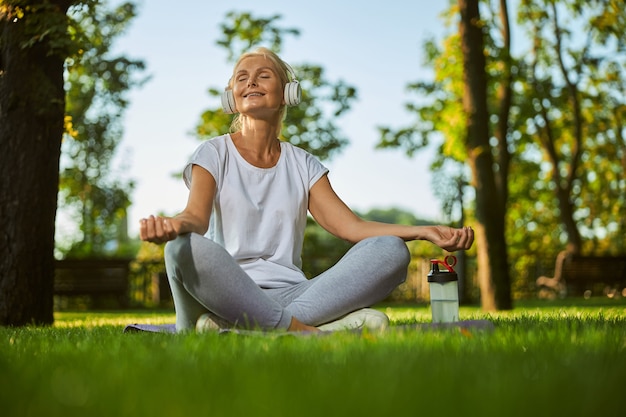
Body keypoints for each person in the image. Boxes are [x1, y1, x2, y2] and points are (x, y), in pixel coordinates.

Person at [139, 47, 474, 333]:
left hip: (296, 295)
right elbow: (195, 219)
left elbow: (352, 228)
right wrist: (172, 226)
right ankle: (306, 330)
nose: (251, 80)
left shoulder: (303, 164)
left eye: (263, 75)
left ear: (287, 91)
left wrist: (423, 231)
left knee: (390, 250)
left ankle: (254, 328)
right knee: (181, 249)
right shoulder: (213, 152)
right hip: (228, 292)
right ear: (232, 97)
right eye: (241, 77)